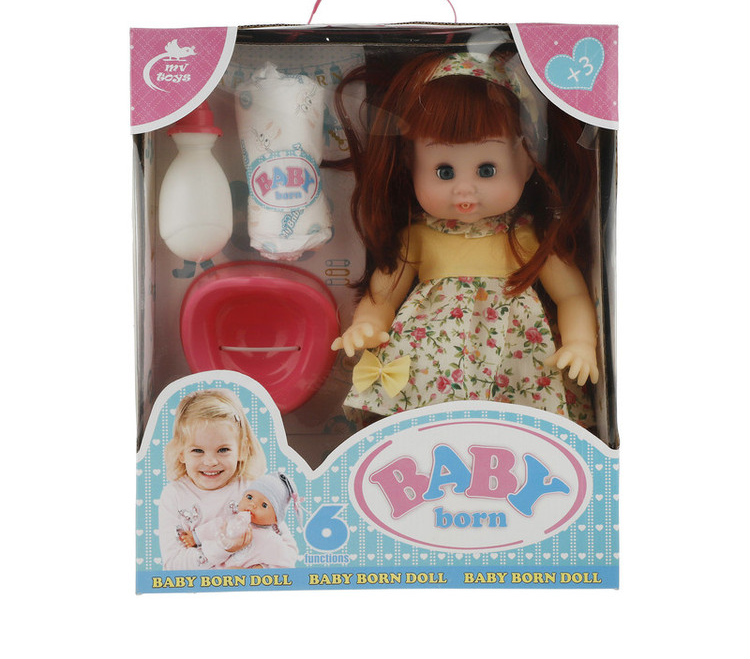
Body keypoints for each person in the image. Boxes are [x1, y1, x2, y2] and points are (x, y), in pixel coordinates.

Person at [331, 49, 599, 427]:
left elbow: (571, 296)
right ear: (411, 164)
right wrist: (367, 325)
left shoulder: (528, 238)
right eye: (444, 171)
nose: (464, 190)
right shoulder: (418, 237)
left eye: (487, 169)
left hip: (516, 366)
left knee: (514, 433)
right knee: (430, 432)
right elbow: (384, 295)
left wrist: (580, 343)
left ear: (526, 162)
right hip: (432, 368)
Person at [158, 389, 266, 570]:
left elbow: (282, 546)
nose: (210, 462)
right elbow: (174, 565)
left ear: (242, 450)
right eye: (197, 451)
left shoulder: (251, 490)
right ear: (181, 453)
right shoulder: (174, 496)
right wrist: (224, 547)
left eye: (223, 450)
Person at [179, 473, 300, 569]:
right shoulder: (233, 520)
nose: (252, 505)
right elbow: (215, 527)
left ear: (275, 519)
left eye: (264, 505)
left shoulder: (272, 541)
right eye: (249, 497)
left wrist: (260, 569)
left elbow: (285, 565)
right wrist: (195, 537)